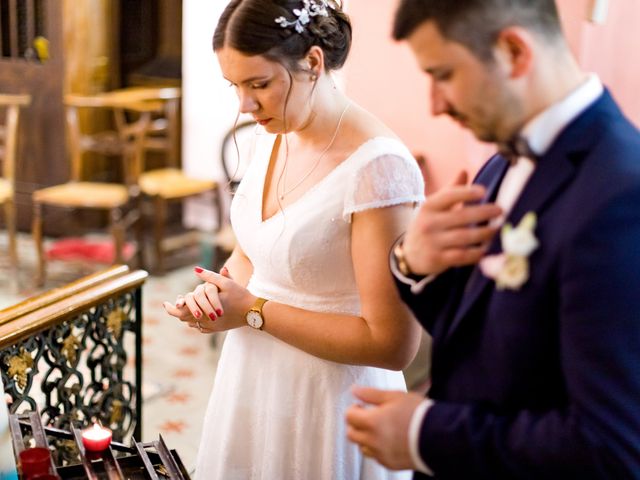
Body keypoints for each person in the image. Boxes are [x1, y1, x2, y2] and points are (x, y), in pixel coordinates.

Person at [345, 0, 640, 479]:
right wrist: (413, 263)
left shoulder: (622, 196)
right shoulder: (502, 159)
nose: (435, 104)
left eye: (443, 74)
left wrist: (424, 435)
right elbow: (481, 329)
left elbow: (610, 448)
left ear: (513, 51)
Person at [162, 0, 425, 478]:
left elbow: (392, 343)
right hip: (252, 379)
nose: (244, 104)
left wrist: (255, 312)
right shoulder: (275, 132)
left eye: (258, 84)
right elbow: (252, 250)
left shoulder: (378, 168)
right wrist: (216, 296)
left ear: (313, 63)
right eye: (235, 86)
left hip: (329, 399)